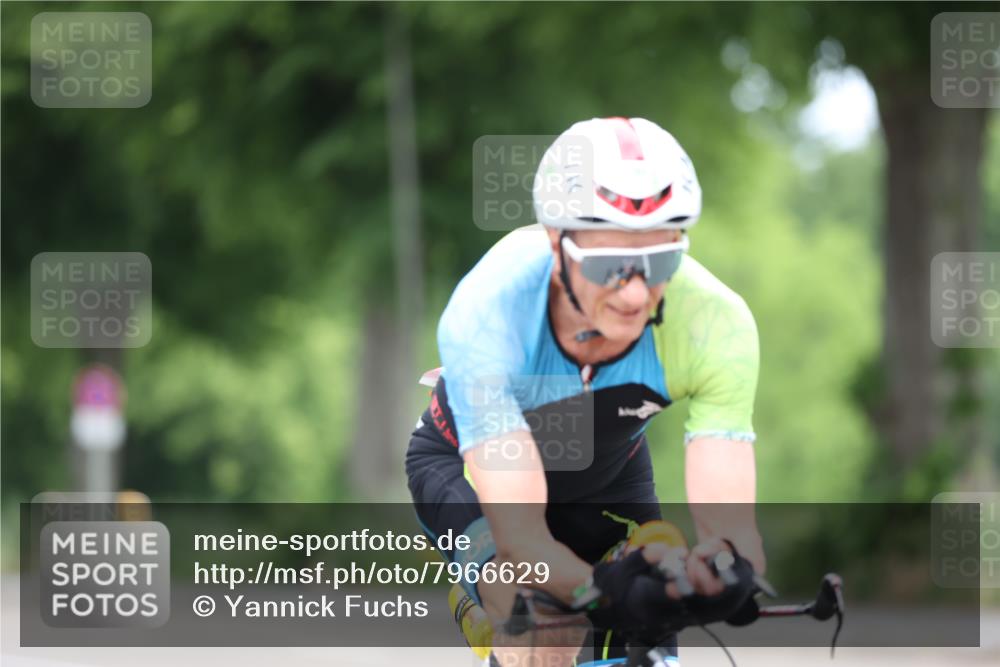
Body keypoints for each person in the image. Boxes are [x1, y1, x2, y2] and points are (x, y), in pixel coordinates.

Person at [406, 117, 765, 666]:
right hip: (469, 473)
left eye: (660, 260)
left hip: (609, 473)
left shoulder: (715, 322)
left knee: (656, 623)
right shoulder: (489, 312)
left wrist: (727, 570)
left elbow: (732, 527)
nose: (635, 293)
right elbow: (523, 537)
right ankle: (494, 618)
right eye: (608, 265)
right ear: (556, 242)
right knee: (552, 617)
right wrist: (604, 588)